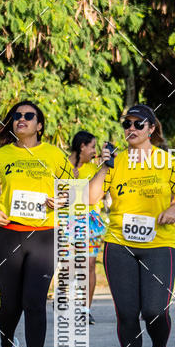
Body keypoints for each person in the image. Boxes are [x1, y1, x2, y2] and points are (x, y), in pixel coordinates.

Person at [88, 105, 175, 347]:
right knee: (126, 312)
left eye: (138, 123)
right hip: (119, 244)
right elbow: (90, 198)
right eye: (127, 124)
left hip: (158, 245)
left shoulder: (166, 161)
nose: (131, 129)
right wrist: (105, 167)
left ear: (151, 128)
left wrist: (173, 210)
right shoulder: (116, 162)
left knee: (154, 310)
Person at [0, 101, 73, 347]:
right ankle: (7, 346)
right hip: (9, 235)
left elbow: (73, 189)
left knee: (35, 303)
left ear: (39, 125)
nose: (21, 119)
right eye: (16, 116)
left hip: (44, 235)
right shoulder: (0, 155)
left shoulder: (54, 155)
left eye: (28, 116)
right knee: (10, 305)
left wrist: (61, 200)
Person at [68, 131, 106, 324]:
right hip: (65, 220)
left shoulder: (95, 169)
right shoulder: (62, 165)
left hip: (89, 220)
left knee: (89, 264)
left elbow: (95, 196)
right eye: (92, 147)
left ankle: (84, 309)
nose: (94, 151)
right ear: (82, 146)